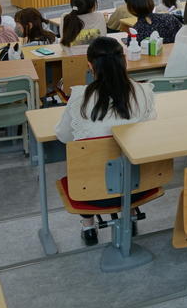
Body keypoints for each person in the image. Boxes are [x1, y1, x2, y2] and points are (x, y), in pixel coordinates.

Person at [55, 36, 157, 246]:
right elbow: (149, 131)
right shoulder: (144, 92)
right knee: (126, 158)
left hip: (91, 193)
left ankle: (88, 226)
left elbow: (63, 136)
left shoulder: (79, 98)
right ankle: (129, 213)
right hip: (140, 186)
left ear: (90, 65)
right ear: (124, 61)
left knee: (82, 164)